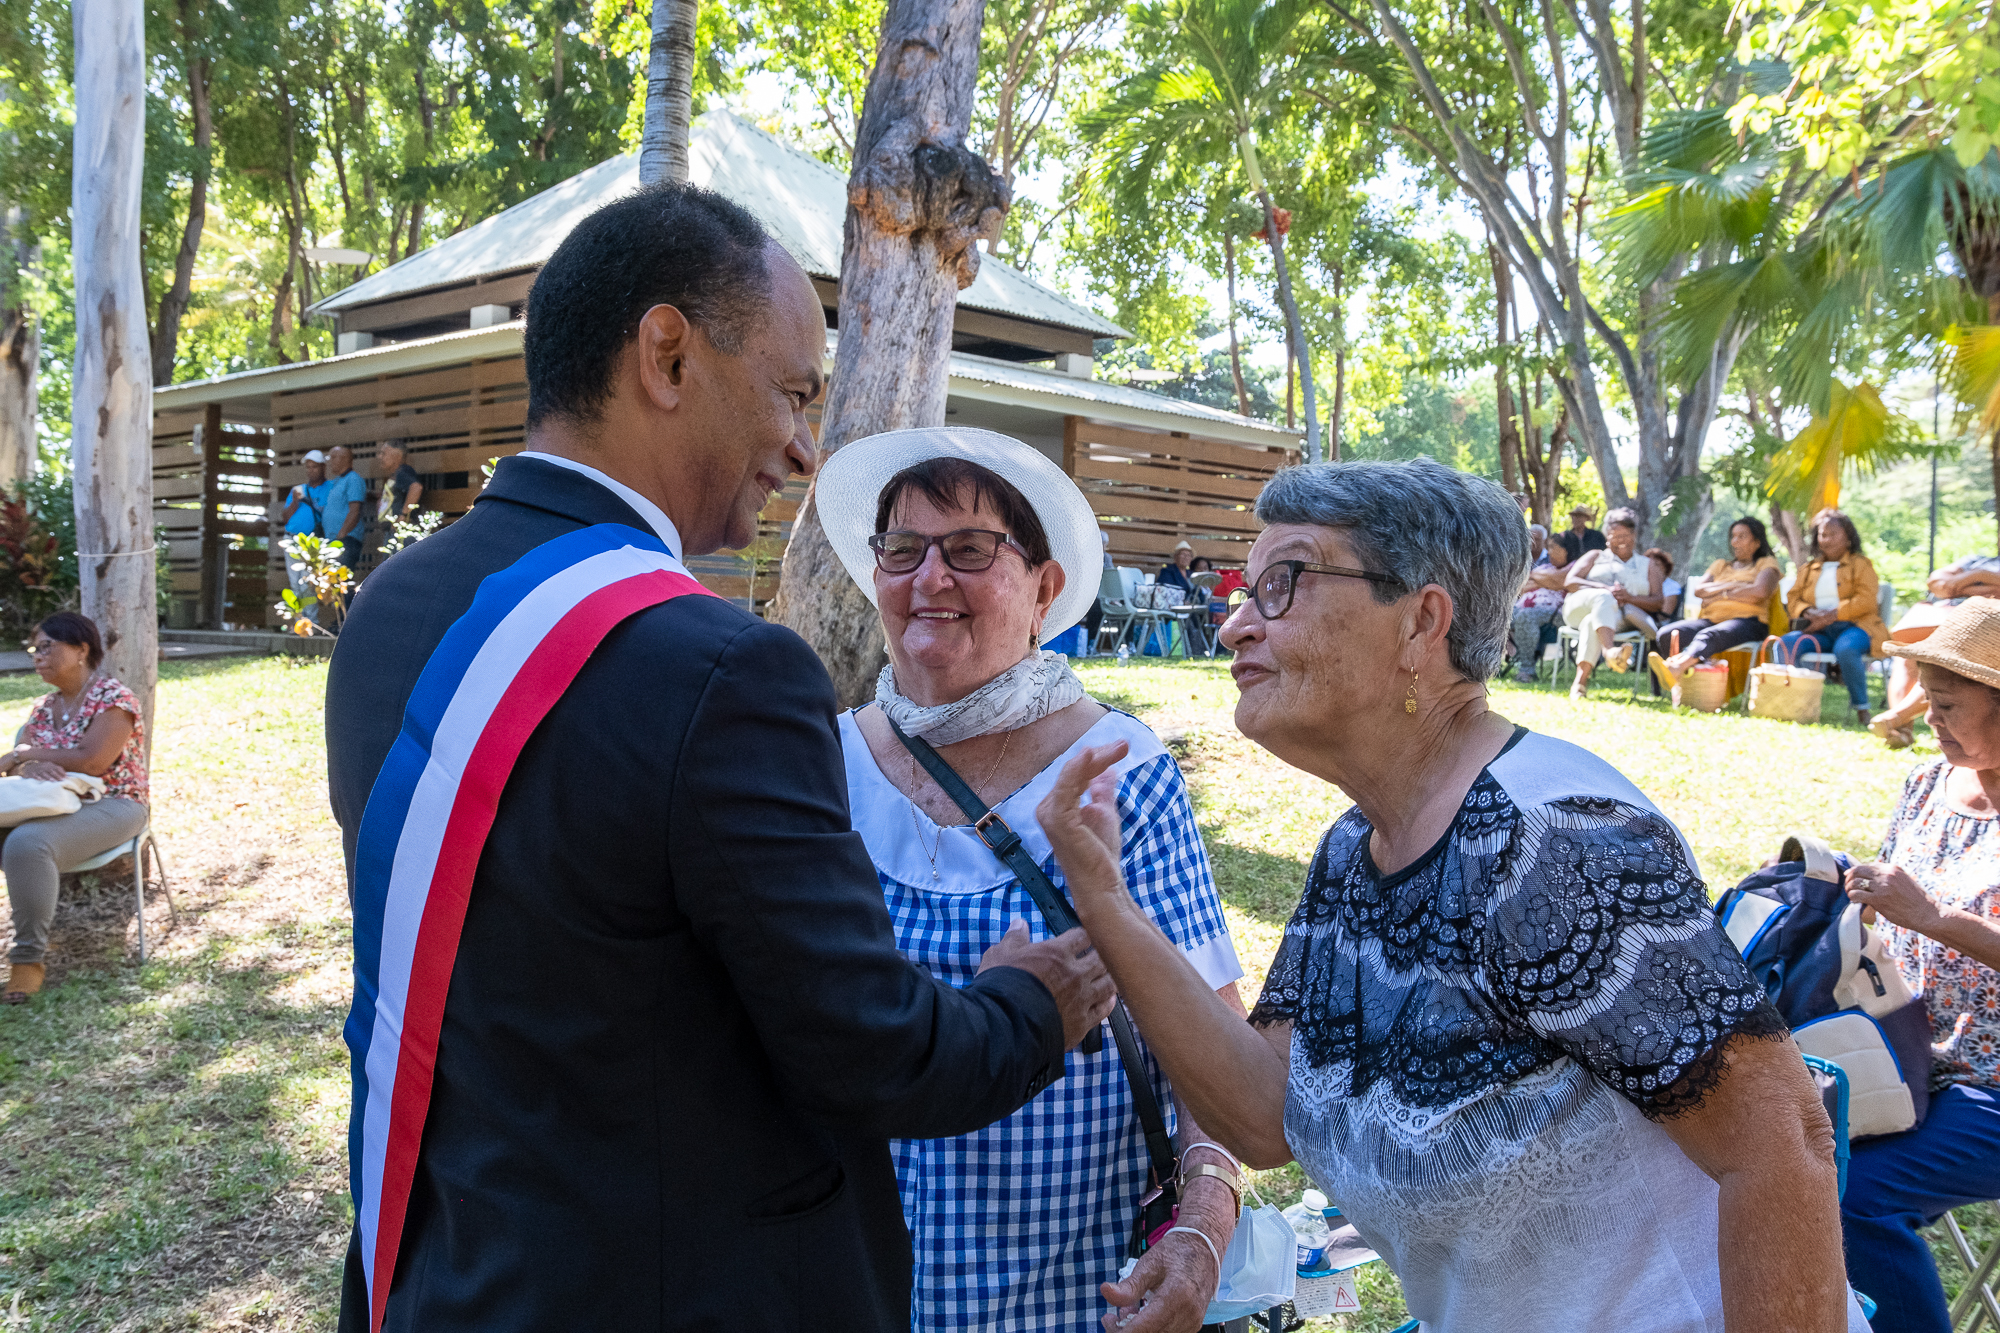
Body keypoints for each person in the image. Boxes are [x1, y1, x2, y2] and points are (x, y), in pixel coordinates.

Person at [324, 181, 1113, 1332]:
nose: (800, 448)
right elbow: (875, 1054)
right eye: (792, 391)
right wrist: (1027, 1003)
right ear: (667, 356)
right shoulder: (718, 671)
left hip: (456, 1268)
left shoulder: (393, 606)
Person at [1035, 457, 1867, 1332]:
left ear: (1422, 622)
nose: (1237, 622)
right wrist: (1104, 898)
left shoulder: (1558, 842)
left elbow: (1785, 1145)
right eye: (1246, 585)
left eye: (1285, 583)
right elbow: (1257, 1115)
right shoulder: (1356, 852)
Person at [814, 429, 1245, 1330]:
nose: (929, 579)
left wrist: (1201, 1224)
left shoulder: (1117, 766)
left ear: (1045, 588)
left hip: (1078, 1296)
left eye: (970, 549)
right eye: (903, 548)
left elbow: (1211, 1041)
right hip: (856, 1284)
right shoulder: (827, 765)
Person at [1839, 596, 2000, 1333]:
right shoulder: (1930, 781)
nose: (1925, 717)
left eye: (1945, 703)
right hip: (1901, 1056)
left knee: (1850, 1193)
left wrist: (1935, 919)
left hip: (1988, 1086)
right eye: (1923, 698)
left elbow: (1928, 912)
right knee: (1771, 1148)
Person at [0, 613, 149, 1005]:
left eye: (47, 646)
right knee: (22, 838)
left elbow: (94, 760)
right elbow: (19, 761)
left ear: (81, 650)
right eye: (34, 648)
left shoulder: (115, 699)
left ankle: (27, 960)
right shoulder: (42, 707)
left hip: (116, 804)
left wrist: (27, 754)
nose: (37, 655)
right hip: (50, 804)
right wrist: (28, 762)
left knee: (26, 844)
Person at [1870, 553, 2000, 749]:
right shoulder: (1976, 560)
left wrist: (1968, 580)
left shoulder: (1976, 566)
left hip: (1984, 639)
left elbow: (1949, 587)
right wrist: (1980, 578)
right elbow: (1937, 583)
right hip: (1944, 621)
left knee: (1945, 663)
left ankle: (1895, 718)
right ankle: (1901, 730)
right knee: (1907, 657)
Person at [1778, 508, 1885, 726]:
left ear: (1848, 537)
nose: (1826, 539)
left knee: (1845, 649)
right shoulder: (1808, 568)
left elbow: (1866, 600)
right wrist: (1808, 612)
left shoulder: (1861, 564)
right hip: (1819, 630)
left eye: (1832, 533)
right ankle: (1793, 703)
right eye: (1822, 534)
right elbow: (1793, 598)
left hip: (1856, 627)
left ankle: (1862, 708)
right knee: (1787, 643)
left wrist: (1833, 614)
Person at [1649, 516, 1782, 691]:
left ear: (1757, 541)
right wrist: (1732, 586)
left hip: (1749, 622)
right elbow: (1699, 591)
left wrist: (1717, 594)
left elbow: (1760, 592)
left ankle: (1677, 668)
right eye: (1733, 536)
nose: (1735, 542)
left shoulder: (1766, 564)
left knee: (1709, 635)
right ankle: (1673, 683)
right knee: (1667, 633)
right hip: (1712, 619)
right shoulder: (1720, 565)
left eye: (1742, 536)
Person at [1562, 507, 1664, 696]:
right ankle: (1609, 651)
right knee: (1603, 597)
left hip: (1617, 619)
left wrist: (1629, 598)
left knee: (1592, 622)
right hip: (1578, 608)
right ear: (1607, 536)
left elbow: (1658, 601)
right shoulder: (1595, 556)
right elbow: (1570, 582)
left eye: (1625, 535)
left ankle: (1579, 684)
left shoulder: (1647, 565)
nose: (1621, 541)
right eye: (1615, 536)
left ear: (1634, 536)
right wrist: (1605, 589)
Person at [1508, 523, 1569, 683]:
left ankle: (1527, 669)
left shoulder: (1574, 566)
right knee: (1494, 616)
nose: (1549, 552)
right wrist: (1547, 580)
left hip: (1556, 614)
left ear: (1566, 551)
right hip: (1523, 608)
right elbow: (1522, 587)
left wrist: (1538, 578)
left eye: (1553, 548)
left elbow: (1559, 581)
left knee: (1527, 616)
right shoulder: (1547, 566)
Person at [279, 449, 331, 611]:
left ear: (323, 467)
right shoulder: (298, 489)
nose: (310, 470)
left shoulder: (331, 488)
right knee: (295, 581)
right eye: (308, 467)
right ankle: (298, 620)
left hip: (313, 541)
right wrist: (295, 501)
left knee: (309, 582)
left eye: (314, 467)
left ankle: (311, 621)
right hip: (292, 538)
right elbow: (285, 518)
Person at [322, 444, 368, 572]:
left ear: (344, 459)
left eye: (332, 457)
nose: (329, 461)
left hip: (346, 540)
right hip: (334, 540)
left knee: (342, 582)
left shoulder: (353, 479)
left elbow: (355, 509)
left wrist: (343, 533)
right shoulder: (337, 481)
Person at [375, 440, 423, 528]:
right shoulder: (395, 475)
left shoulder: (403, 471)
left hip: (403, 531)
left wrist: (403, 516)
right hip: (393, 530)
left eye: (383, 454)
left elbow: (416, 487)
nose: (379, 457)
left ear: (397, 457)